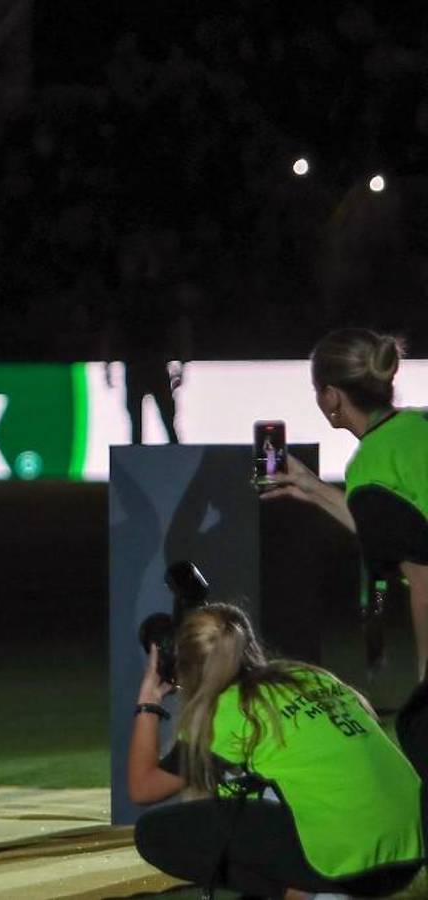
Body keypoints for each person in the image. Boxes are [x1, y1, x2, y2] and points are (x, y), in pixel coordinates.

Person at [130, 602, 422, 898]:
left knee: (154, 835)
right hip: (411, 850)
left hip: (352, 867)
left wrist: (148, 701)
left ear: (186, 666)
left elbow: (143, 788)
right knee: (256, 787)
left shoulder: (227, 712)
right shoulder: (309, 676)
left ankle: (310, 894)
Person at [264, 328, 428, 683]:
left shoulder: (369, 468)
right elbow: (393, 532)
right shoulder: (420, 424)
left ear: (331, 397)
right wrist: (314, 489)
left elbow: (422, 575)